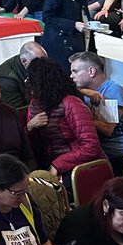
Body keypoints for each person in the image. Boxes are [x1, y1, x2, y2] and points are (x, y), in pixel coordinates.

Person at [24, 57, 103, 188]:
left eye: (32, 80)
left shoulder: (71, 103)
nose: (28, 84)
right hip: (50, 164)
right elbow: (30, 146)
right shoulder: (34, 104)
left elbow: (91, 146)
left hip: (79, 167)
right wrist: (29, 128)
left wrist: (57, 165)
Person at [68, 51, 123, 175]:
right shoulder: (85, 93)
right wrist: (85, 92)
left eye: (75, 71)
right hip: (108, 156)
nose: (71, 76)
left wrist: (84, 116)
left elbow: (107, 129)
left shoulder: (114, 90)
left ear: (91, 71)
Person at [0, 41, 47, 111]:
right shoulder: (7, 79)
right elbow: (16, 112)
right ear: (24, 61)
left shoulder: (32, 63)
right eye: (38, 63)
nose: (45, 66)